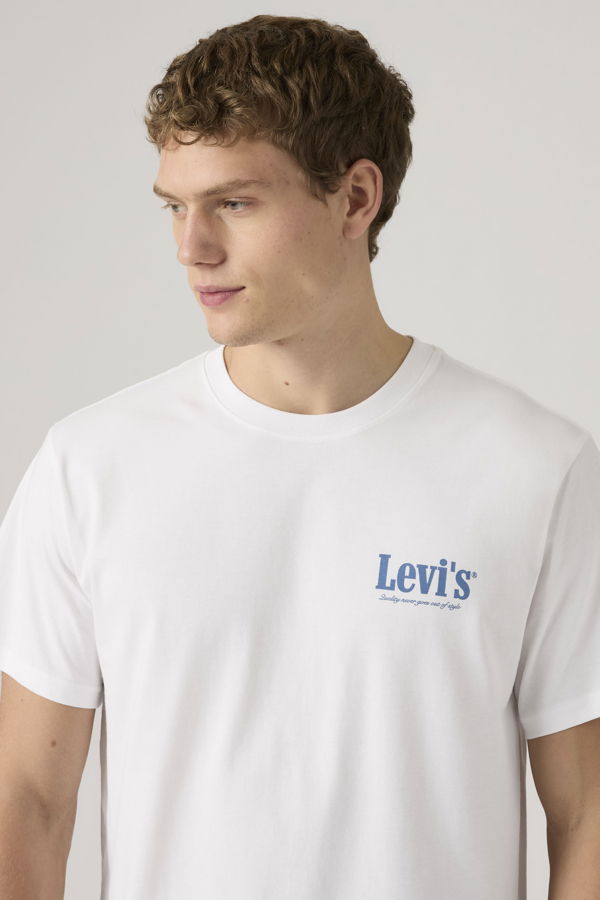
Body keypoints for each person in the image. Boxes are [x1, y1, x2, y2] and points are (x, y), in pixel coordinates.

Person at [1, 14, 599, 900]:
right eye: (175, 206)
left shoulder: (534, 470)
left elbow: (587, 813)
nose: (192, 247)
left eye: (234, 203)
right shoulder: (89, 468)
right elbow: (28, 800)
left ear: (356, 198)